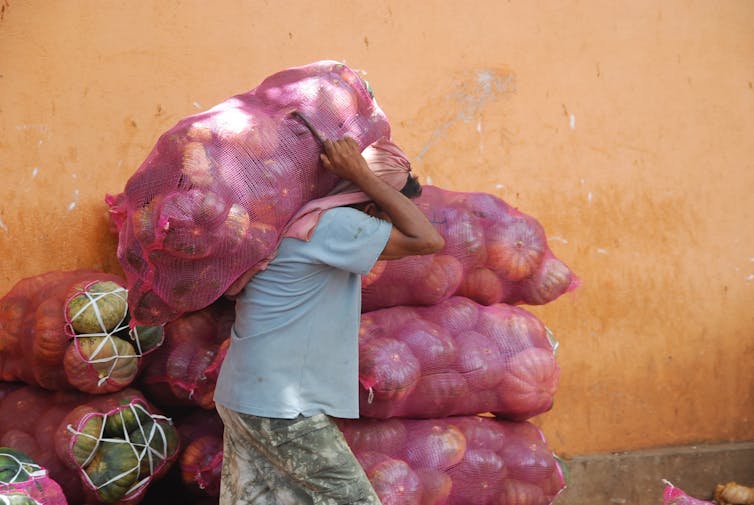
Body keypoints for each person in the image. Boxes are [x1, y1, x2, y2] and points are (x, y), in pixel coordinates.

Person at [213, 136, 445, 504]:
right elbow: (427, 239)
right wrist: (364, 175)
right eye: (384, 211)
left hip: (246, 397)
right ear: (366, 202)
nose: (385, 224)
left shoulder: (303, 222)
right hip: (282, 408)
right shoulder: (333, 225)